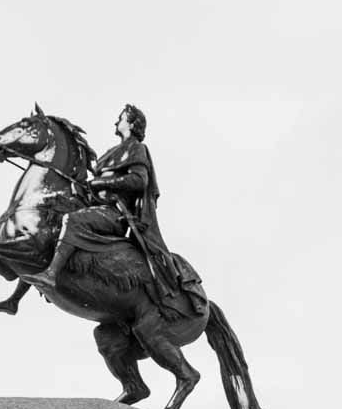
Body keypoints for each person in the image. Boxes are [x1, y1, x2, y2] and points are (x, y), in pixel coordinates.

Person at [19, 104, 205, 318]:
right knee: (48, 226)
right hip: (96, 205)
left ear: (132, 124)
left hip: (115, 213)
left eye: (121, 118)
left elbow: (138, 180)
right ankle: (16, 297)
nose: (116, 122)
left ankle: (51, 274)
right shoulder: (112, 152)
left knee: (73, 220)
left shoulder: (136, 148)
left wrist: (99, 183)